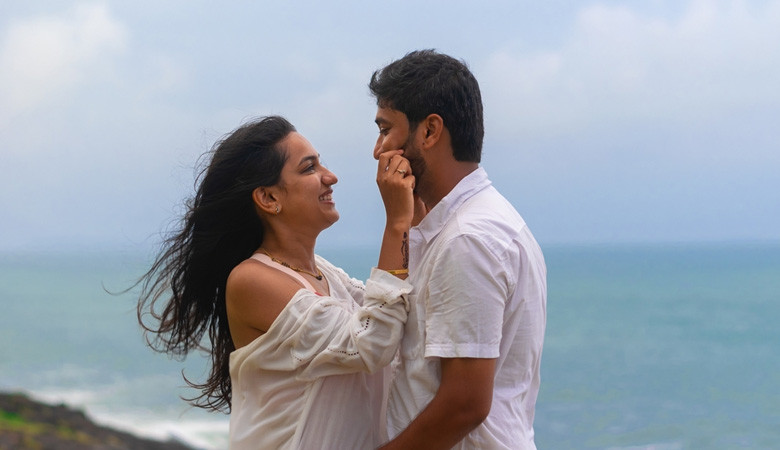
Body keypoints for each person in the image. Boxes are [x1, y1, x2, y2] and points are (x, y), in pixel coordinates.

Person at [136, 115, 419, 449]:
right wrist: (398, 222)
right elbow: (373, 341)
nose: (331, 177)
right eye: (309, 168)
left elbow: (399, 310)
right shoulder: (251, 280)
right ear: (269, 198)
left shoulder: (323, 273)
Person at [369, 50, 548, 449]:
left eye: (385, 129)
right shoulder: (469, 223)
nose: (378, 150)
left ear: (430, 131)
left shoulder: (469, 238)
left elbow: (465, 404)